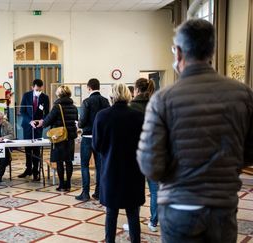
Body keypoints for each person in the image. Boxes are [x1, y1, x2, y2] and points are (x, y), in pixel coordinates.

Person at [137, 19, 253, 243]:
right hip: (223, 207)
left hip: (179, 206)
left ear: (178, 52)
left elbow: (150, 165)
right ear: (211, 51)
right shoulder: (243, 95)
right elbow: (249, 151)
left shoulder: (163, 100)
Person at [93, 83, 145, 243]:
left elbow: (96, 145)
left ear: (111, 96)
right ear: (129, 95)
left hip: (111, 169)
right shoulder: (138, 116)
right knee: (133, 213)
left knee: (111, 212)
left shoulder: (102, 116)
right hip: (133, 170)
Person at [129, 78, 158, 232]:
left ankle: (134, 222)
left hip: (136, 153)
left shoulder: (131, 107)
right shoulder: (156, 105)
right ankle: (154, 222)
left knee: (135, 190)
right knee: (155, 191)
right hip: (154, 152)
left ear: (136, 89)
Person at [36, 85, 78, 191]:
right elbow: (75, 121)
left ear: (59, 94)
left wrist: (42, 122)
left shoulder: (57, 106)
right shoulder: (74, 107)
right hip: (70, 137)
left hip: (59, 138)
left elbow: (47, 122)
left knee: (59, 161)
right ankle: (68, 184)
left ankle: (61, 185)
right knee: (68, 161)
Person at [75, 78, 109, 201]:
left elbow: (82, 122)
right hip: (101, 138)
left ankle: (85, 193)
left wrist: (78, 124)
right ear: (98, 87)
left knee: (84, 165)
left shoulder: (86, 102)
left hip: (88, 138)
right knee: (99, 166)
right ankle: (98, 193)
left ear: (89, 88)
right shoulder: (106, 101)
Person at [19, 79, 50, 181]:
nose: (38, 91)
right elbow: (22, 111)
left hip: (38, 126)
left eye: (40, 90)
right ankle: (28, 169)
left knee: (36, 149)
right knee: (28, 149)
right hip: (27, 125)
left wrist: (42, 121)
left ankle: (36, 171)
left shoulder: (45, 97)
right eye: (36, 89)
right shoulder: (26, 95)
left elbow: (47, 113)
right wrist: (30, 121)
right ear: (32, 87)